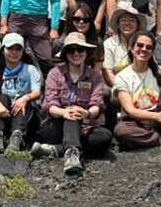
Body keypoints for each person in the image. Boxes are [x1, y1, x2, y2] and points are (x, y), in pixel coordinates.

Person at [35, 33, 111, 174]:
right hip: (56, 125)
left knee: (105, 137)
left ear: (86, 52)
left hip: (85, 125)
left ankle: (57, 150)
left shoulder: (95, 77)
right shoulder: (54, 73)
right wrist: (64, 112)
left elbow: (97, 103)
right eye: (71, 50)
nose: (76, 53)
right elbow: (49, 104)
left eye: (80, 49)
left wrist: (86, 113)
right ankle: (71, 154)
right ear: (65, 54)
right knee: (71, 116)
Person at [112, 31, 161, 157]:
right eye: (140, 45)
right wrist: (157, 116)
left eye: (149, 47)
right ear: (132, 48)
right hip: (137, 121)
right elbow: (130, 110)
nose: (144, 49)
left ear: (152, 52)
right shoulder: (122, 77)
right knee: (121, 131)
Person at [0, 32, 43, 155]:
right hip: (3, 111)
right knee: (1, 97)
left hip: (24, 113)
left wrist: (25, 98)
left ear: (23, 51)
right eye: (10, 48)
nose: (14, 52)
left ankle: (17, 136)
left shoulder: (30, 69)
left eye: (18, 49)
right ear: (2, 50)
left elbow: (37, 92)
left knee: (23, 100)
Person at [55, 2, 104, 78]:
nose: (81, 22)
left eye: (86, 19)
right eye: (77, 19)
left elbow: (96, 74)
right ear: (69, 20)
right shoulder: (59, 43)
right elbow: (60, 73)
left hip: (89, 82)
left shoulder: (98, 42)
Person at [103, 8, 145, 89]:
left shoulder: (144, 43)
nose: (127, 23)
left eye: (132, 20)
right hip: (115, 87)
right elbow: (107, 73)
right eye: (123, 20)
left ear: (137, 25)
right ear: (118, 24)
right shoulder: (109, 44)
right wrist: (124, 90)